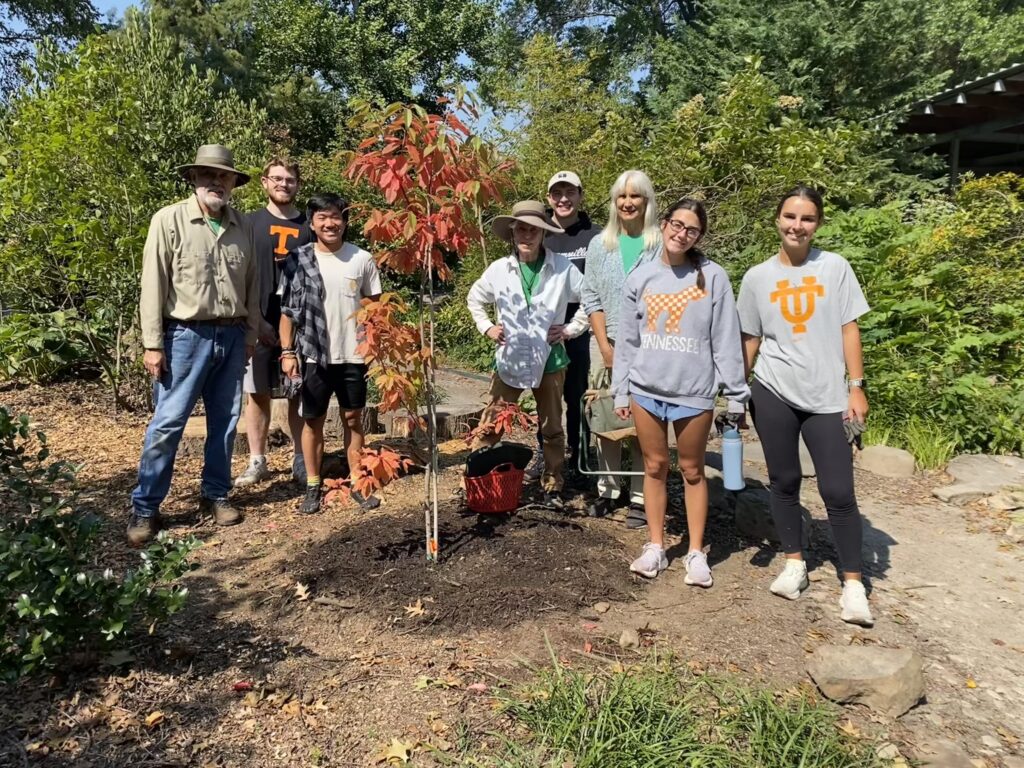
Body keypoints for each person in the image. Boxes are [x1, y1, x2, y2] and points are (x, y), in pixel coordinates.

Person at [737, 185, 874, 626]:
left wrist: (856, 386)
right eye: (790, 217)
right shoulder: (757, 277)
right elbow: (751, 339)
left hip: (826, 396)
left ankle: (853, 583)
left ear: (818, 224)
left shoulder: (834, 267)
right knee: (784, 480)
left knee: (837, 491)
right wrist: (737, 389)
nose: (798, 226)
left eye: (807, 218)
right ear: (777, 220)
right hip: (773, 390)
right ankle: (794, 562)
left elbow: (849, 328)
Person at [127, 144, 258, 545]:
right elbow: (153, 286)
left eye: (224, 176)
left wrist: (249, 334)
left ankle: (216, 494)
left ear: (234, 182)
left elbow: (252, 285)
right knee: (168, 424)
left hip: (233, 336)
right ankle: (145, 509)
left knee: (225, 423)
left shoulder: (243, 226)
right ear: (193, 179)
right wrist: (153, 344)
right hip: (184, 337)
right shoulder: (168, 221)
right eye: (208, 176)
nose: (216, 182)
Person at [612, 199, 748, 583]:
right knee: (654, 466)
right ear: (664, 223)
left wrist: (736, 394)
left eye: (691, 229)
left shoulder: (713, 277)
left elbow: (724, 339)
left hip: (693, 391)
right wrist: (620, 390)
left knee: (691, 470)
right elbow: (627, 340)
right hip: (645, 389)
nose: (681, 233)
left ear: (699, 236)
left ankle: (694, 551)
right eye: (676, 223)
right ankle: (655, 546)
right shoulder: (641, 276)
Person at [467, 201, 590, 506]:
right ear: (512, 232)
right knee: (492, 423)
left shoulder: (561, 267)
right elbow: (475, 298)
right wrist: (487, 327)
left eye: (532, 229)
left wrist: (570, 329)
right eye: (521, 228)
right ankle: (474, 480)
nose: (526, 235)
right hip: (510, 358)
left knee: (551, 427)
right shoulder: (499, 269)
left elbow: (591, 298)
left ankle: (552, 484)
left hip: (550, 359)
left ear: (542, 234)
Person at [278, 194, 383, 514]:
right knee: (313, 421)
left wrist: (375, 348)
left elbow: (376, 308)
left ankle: (357, 481)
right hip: (314, 354)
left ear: (345, 221)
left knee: (353, 418)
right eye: (322, 217)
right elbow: (287, 313)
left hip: (353, 353)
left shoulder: (361, 259)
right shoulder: (298, 260)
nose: (330, 223)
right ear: (312, 223)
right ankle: (313, 484)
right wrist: (287, 352)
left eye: (336, 216)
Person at [581, 169, 661, 524]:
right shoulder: (602, 244)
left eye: (636, 196)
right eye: (622, 197)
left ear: (647, 201)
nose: (628, 203)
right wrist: (605, 346)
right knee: (606, 416)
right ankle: (608, 490)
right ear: (614, 202)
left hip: (652, 346)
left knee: (646, 421)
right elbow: (591, 296)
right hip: (607, 341)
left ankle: (643, 497)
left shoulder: (659, 244)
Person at [234, 157, 312, 488]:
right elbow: (238, 274)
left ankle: (300, 458)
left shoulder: (311, 225)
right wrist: (255, 321)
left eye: (290, 179)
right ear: (264, 182)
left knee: (298, 391)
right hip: (259, 322)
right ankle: (257, 460)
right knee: (257, 393)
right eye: (277, 179)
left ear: (298, 184)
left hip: (301, 326)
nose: (284, 184)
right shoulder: (248, 223)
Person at [522, 170, 602, 486]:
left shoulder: (595, 236)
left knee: (578, 396)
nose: (563, 199)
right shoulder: (540, 233)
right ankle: (546, 454)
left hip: (581, 330)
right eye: (557, 193)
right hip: (544, 333)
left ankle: (581, 455)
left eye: (570, 192)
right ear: (549, 198)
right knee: (546, 399)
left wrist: (577, 326)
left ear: (580, 196)